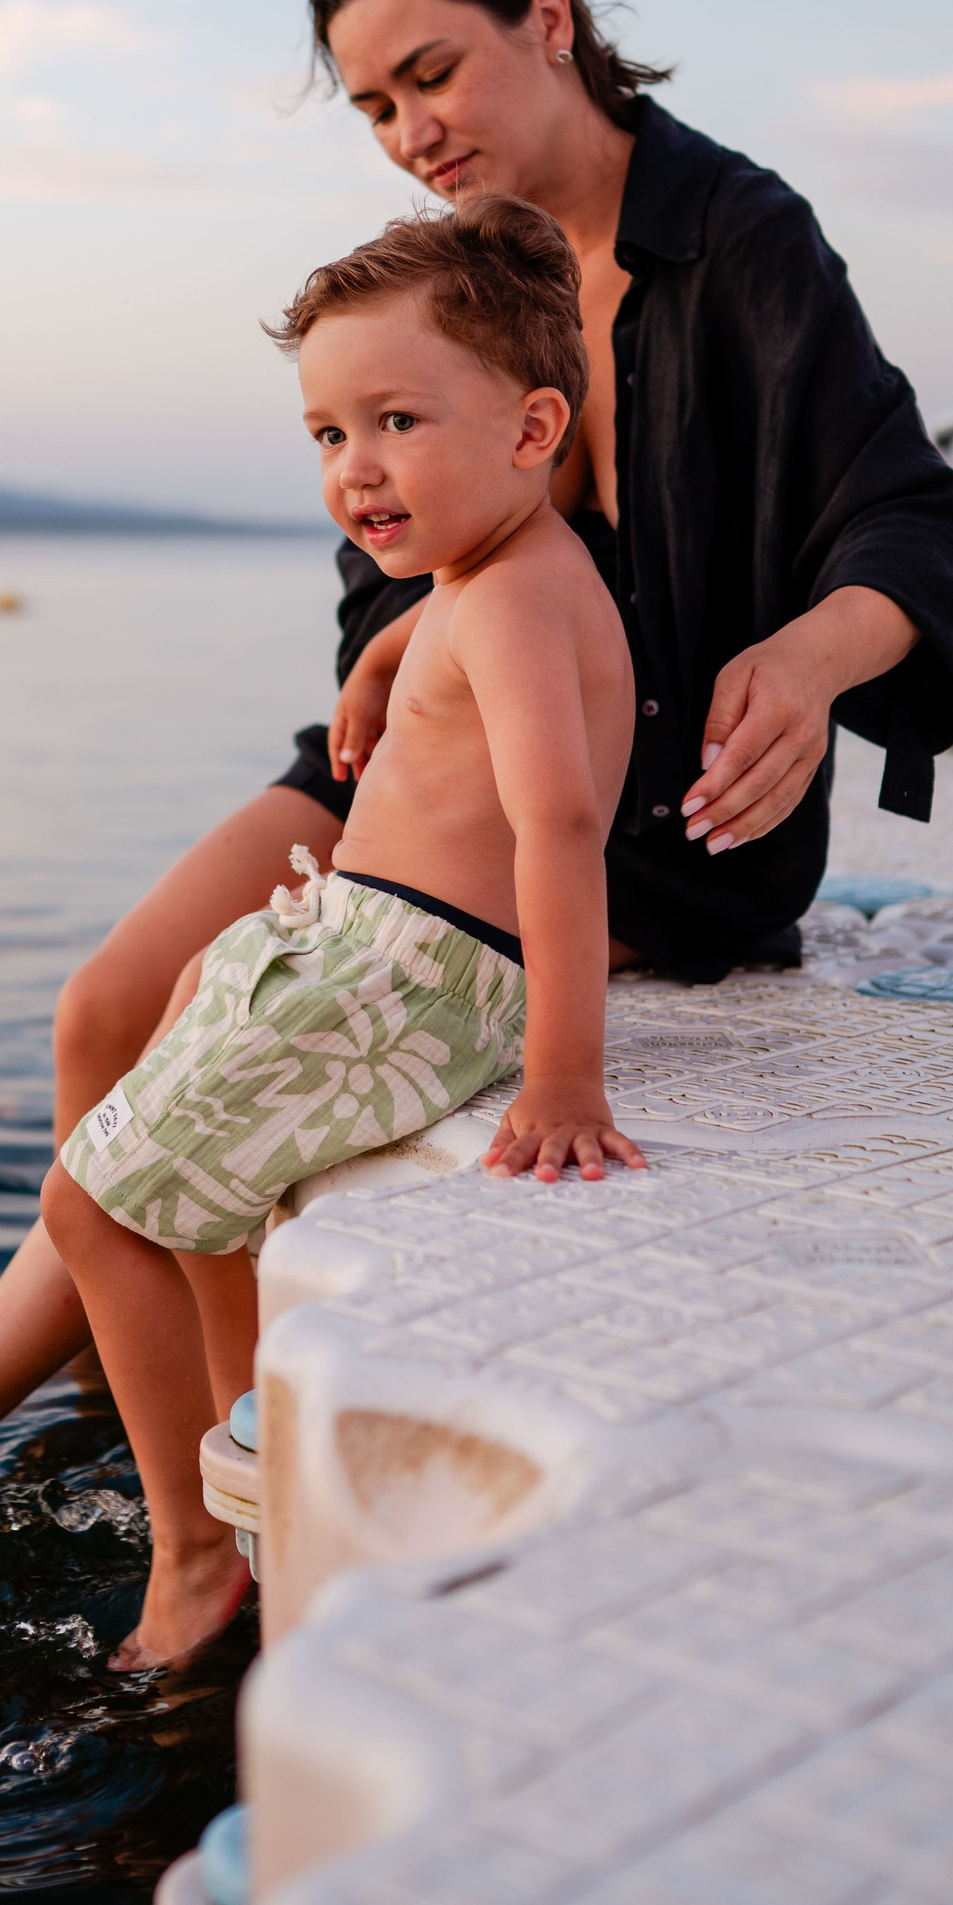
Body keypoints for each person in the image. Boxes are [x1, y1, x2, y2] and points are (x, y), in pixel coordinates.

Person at [0, 0, 953, 1554]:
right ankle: (129, 1409)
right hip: (423, 772)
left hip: (640, 820)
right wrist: (412, 619)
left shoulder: (738, 238)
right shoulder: (444, 274)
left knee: (191, 1065)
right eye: (373, 106)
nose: (409, 132)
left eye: (432, 75)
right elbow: (388, 558)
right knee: (103, 1006)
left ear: (550, 18)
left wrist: (812, 658)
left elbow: (908, 521)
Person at [42, 197, 643, 1667]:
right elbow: (461, 612)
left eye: (394, 422)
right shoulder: (497, 575)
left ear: (534, 426)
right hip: (376, 954)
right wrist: (381, 658)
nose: (354, 466)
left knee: (88, 1205)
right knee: (195, 1097)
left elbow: (563, 827)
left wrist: (566, 1074)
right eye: (327, 433)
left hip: (406, 974)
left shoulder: (511, 606)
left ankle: (196, 1552)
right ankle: (252, 1445)